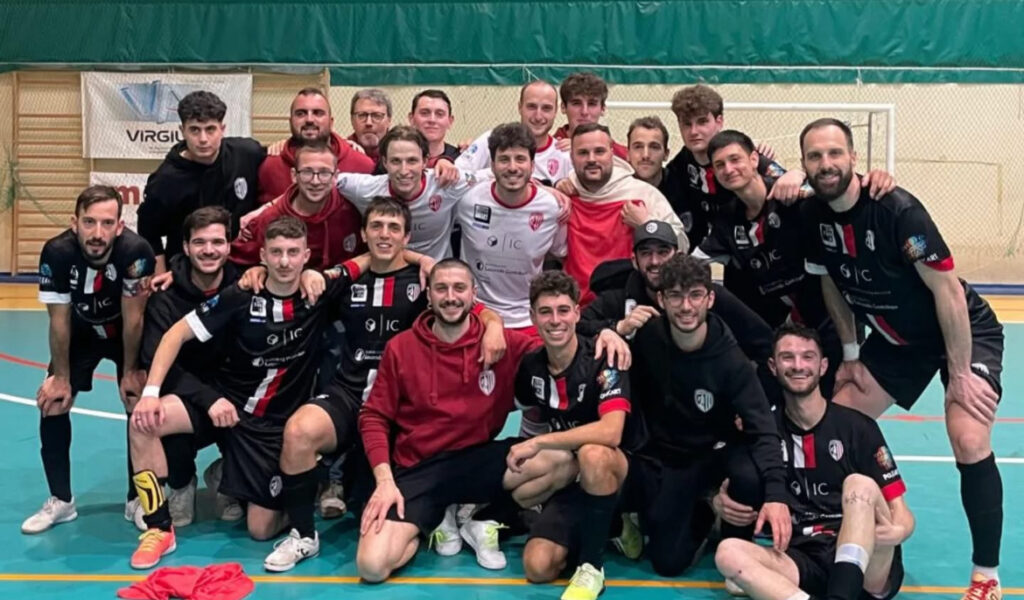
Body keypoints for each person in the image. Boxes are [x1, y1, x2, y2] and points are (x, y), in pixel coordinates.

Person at [799, 118, 1005, 600]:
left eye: (834, 153)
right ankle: (869, 542)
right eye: (814, 156)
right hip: (897, 341)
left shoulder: (898, 210)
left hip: (960, 330)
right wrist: (851, 353)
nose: (826, 164)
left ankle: (986, 576)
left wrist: (960, 373)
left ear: (854, 157)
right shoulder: (810, 216)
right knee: (837, 422)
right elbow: (831, 284)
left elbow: (947, 293)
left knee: (969, 437)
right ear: (804, 163)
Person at [261, 198, 506, 572]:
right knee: (299, 431)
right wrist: (259, 272)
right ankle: (303, 535)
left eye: (394, 228)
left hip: (405, 406)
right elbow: (293, 282)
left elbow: (463, 303)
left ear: (407, 237)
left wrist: (494, 324)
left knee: (377, 508)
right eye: (376, 226)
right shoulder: (346, 280)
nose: (384, 234)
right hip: (350, 392)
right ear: (363, 233)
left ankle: (430, 513)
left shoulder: (424, 281)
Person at [355, 259, 630, 582]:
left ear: (474, 295)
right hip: (418, 470)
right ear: (428, 295)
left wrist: (605, 332)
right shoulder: (400, 348)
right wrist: (384, 482)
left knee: (563, 461)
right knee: (372, 567)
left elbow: (557, 334)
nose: (451, 297)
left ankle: (478, 517)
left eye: (459, 288)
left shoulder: (504, 344)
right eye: (441, 288)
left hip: (477, 461)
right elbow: (373, 416)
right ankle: (431, 521)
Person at [125, 216, 348, 569]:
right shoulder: (241, 295)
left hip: (271, 427)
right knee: (143, 422)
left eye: (293, 253)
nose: (284, 261)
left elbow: (372, 260)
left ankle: (236, 476)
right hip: (227, 406)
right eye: (276, 252)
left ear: (307, 256)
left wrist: (422, 261)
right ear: (262, 256)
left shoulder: (318, 294)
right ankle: (159, 528)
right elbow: (175, 335)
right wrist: (150, 393)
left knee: (261, 529)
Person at [714, 324, 914, 600]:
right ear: (772, 366)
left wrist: (897, 532)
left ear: (823, 366)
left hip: (866, 567)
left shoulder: (858, 427)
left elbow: (902, 513)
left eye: (807, 357)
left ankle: (842, 594)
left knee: (860, 484)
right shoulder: (765, 432)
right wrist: (717, 502)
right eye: (787, 357)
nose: (798, 365)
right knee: (728, 554)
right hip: (803, 558)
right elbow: (728, 484)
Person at [627, 254, 790, 576]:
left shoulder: (731, 360)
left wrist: (776, 495)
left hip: (720, 451)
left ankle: (736, 546)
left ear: (710, 299)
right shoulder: (648, 339)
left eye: (695, 295)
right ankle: (705, 510)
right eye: (675, 296)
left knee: (749, 476)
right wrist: (610, 332)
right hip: (674, 458)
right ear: (661, 299)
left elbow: (763, 428)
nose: (686, 306)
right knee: (667, 563)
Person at [24, 185, 155, 535]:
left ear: (120, 226)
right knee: (53, 403)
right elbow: (59, 320)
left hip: (123, 330)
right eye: (89, 222)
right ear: (74, 223)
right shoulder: (56, 252)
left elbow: (134, 319)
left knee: (138, 401)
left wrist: (131, 370)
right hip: (80, 330)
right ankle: (61, 501)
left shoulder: (136, 252)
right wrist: (60, 377)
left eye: (107, 223)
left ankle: (138, 499)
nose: (98, 233)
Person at [510, 271, 639, 600]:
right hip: (573, 479)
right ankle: (610, 526)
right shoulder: (531, 366)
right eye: (545, 312)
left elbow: (611, 432)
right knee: (538, 568)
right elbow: (531, 418)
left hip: (621, 473)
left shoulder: (604, 357)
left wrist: (539, 444)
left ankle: (592, 567)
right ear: (532, 317)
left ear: (578, 313)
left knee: (593, 453)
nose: (555, 320)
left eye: (563, 310)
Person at [134, 206, 241, 530]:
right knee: (146, 421)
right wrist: (208, 399)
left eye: (217, 242)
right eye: (199, 242)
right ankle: (178, 488)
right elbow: (156, 361)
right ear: (185, 247)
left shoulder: (244, 287)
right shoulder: (165, 297)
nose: (209, 250)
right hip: (188, 396)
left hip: (236, 394)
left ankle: (226, 478)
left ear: (229, 246)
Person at [580, 220, 775, 387]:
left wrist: (758, 400)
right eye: (646, 253)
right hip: (642, 402)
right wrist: (617, 327)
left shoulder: (706, 295)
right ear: (634, 260)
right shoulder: (618, 297)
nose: (655, 261)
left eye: (663, 252)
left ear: (678, 255)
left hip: (707, 397)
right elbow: (575, 328)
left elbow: (766, 344)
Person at [455, 122, 567, 336]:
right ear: (492, 165)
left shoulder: (551, 208)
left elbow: (562, 254)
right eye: (504, 159)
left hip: (529, 318)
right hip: (476, 314)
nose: (512, 167)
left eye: (520, 159)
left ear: (532, 166)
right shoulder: (468, 201)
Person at [139, 90, 266, 273]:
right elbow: (149, 233)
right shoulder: (164, 180)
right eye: (195, 130)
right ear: (182, 131)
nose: (203, 139)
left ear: (222, 129)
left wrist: (282, 148)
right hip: (186, 273)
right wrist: (160, 277)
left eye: (210, 129)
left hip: (241, 269)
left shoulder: (247, 153)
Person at [562, 123, 686, 304]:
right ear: (571, 157)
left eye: (599, 151)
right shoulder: (563, 196)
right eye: (583, 153)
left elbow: (681, 245)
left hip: (631, 304)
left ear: (612, 154)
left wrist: (647, 224)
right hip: (575, 307)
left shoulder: (642, 193)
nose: (591, 159)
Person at [335, 126, 472, 260]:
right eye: (396, 161)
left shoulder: (446, 183)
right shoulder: (366, 189)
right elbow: (327, 178)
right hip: (386, 270)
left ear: (425, 161)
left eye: (412, 161)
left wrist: (470, 148)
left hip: (436, 272)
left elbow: (483, 177)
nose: (404, 170)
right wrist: (341, 142)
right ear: (385, 162)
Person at [234, 140, 366, 269]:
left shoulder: (351, 210)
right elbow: (237, 263)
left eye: (324, 173)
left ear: (335, 176)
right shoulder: (268, 220)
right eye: (307, 172)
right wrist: (258, 272)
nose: (315, 181)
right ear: (294, 175)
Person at [455, 80, 572, 185]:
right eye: (531, 107)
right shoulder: (491, 140)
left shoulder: (565, 155)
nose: (538, 116)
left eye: (546, 108)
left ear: (555, 111)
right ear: (520, 107)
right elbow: (456, 176)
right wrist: (492, 177)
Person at [552, 72, 628, 159]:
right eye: (576, 103)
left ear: (603, 109)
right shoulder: (548, 151)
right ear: (563, 107)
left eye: (592, 104)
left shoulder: (623, 156)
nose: (584, 112)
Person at [408, 89, 460, 167]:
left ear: (450, 121)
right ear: (411, 119)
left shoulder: (461, 159)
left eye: (439, 114)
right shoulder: (396, 158)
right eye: (424, 113)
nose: (432, 120)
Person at [348, 88, 393, 170]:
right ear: (352, 120)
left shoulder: (400, 154)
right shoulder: (342, 154)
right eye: (362, 115)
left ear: (389, 120)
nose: (369, 123)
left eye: (377, 116)